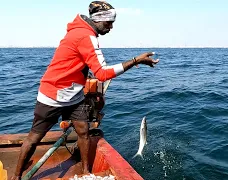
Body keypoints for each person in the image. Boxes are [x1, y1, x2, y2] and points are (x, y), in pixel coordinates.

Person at [11, 1, 159, 180]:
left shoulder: (82, 32)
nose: (111, 27)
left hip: (74, 96)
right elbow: (103, 74)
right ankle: (16, 177)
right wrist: (135, 60)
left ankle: (86, 171)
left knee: (83, 132)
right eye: (109, 22)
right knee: (34, 138)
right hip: (52, 95)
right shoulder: (85, 36)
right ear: (98, 20)